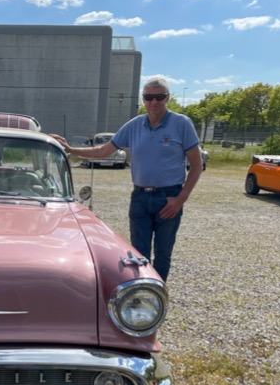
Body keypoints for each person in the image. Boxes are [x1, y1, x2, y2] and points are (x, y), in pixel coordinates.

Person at [51, 76, 202, 281]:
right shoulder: (134, 125)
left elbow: (196, 164)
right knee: (138, 254)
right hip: (140, 198)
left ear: (167, 98)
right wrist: (69, 149)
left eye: (159, 97)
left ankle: (156, 294)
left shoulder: (181, 123)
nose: (154, 102)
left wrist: (180, 199)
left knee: (163, 254)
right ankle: (139, 293)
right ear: (143, 99)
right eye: (149, 97)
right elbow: (104, 151)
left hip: (169, 198)